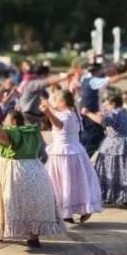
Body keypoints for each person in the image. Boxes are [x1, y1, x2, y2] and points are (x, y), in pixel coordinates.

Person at [0, 109, 64, 247]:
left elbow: (5, 138)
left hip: (14, 169)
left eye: (6, 120)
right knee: (33, 205)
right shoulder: (32, 131)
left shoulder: (14, 132)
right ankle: (34, 236)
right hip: (35, 169)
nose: (4, 123)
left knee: (1, 200)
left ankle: (0, 230)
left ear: (13, 122)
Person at [41, 94, 102, 224]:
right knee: (72, 182)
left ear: (62, 101)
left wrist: (48, 113)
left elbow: (59, 124)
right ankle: (68, 211)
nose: (55, 103)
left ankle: (70, 210)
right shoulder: (74, 113)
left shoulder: (67, 115)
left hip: (65, 153)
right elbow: (57, 114)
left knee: (65, 182)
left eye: (57, 100)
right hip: (72, 151)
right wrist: (49, 107)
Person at [78, 63, 127, 157]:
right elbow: (111, 80)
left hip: (85, 114)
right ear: (97, 71)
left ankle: (84, 161)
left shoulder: (85, 78)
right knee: (94, 139)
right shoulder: (94, 81)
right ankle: (85, 162)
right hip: (90, 115)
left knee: (86, 139)